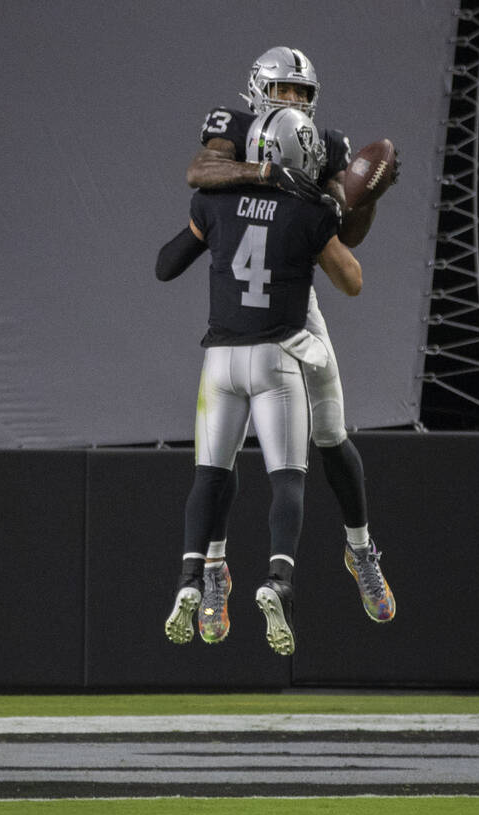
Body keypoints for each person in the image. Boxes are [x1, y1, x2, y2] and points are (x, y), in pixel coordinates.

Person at [184, 46, 395, 644]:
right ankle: (216, 570)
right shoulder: (233, 126)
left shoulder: (324, 143)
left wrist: (363, 195)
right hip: (235, 308)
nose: (293, 102)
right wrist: (269, 175)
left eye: (302, 93)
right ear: (258, 89)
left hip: (295, 305)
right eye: (284, 90)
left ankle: (361, 551)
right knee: (217, 458)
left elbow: (339, 227)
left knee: (331, 433)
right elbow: (200, 172)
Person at [157, 108, 363, 655]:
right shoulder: (307, 211)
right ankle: (278, 579)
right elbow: (352, 281)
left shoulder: (216, 200)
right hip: (276, 358)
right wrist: (329, 212)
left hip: (220, 360)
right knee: (288, 479)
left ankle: (189, 579)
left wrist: (210, 231)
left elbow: (166, 264)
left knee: (210, 475)